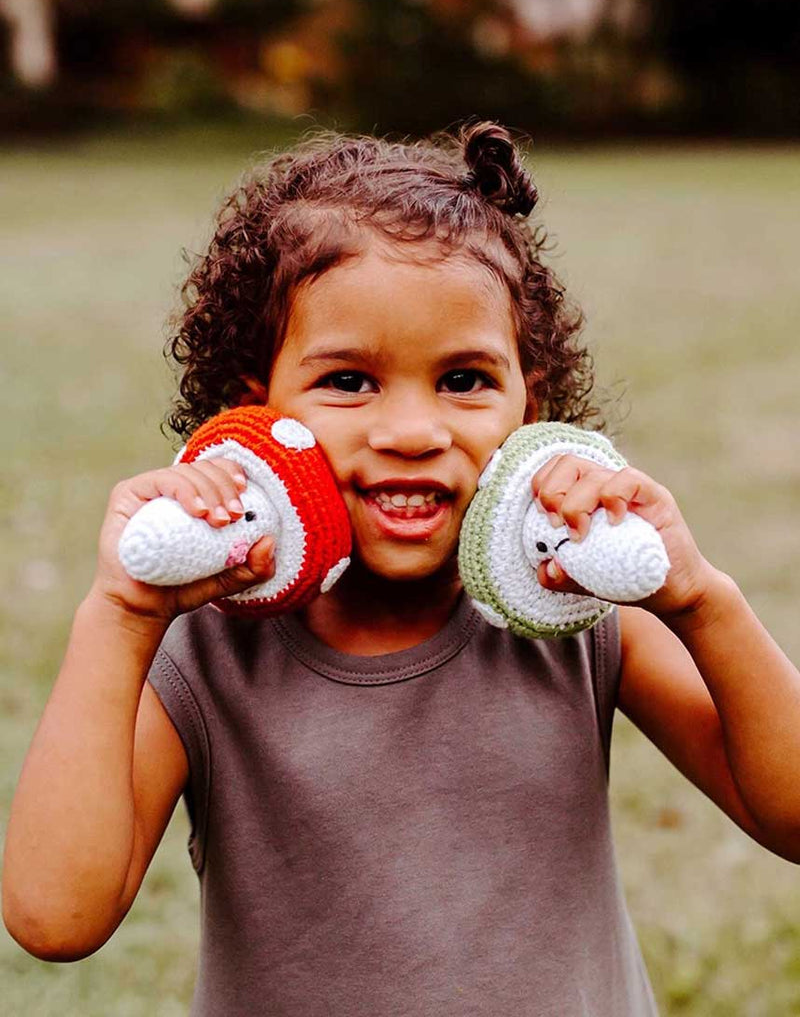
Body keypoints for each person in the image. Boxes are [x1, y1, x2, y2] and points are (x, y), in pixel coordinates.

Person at [4, 121, 800, 1016]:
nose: (415, 432)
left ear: (527, 409)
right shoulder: (204, 649)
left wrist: (701, 598)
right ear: (255, 416)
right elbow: (53, 916)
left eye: (464, 380)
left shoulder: (579, 608)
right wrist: (119, 615)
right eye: (349, 381)